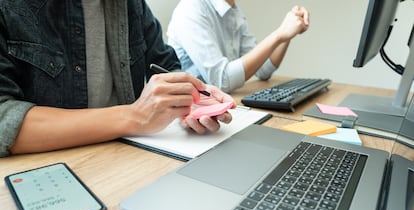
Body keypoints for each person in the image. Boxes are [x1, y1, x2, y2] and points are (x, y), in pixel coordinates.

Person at [0, 0, 235, 157]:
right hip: (51, 173)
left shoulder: (132, 5)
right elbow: (4, 119)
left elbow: (167, 67)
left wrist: (192, 100)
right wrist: (135, 117)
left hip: (128, 160)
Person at [167, 0, 310, 93]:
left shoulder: (234, 11)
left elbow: (264, 69)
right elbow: (221, 81)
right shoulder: (191, 8)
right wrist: (280, 33)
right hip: (192, 113)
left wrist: (287, 34)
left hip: (222, 105)